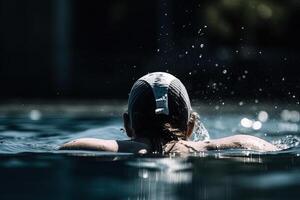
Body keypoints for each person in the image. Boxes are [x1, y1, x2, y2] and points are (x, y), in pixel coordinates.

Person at [59, 72, 279, 154]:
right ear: (191, 126)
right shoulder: (238, 143)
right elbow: (263, 146)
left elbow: (68, 147)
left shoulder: (100, 147)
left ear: (127, 125)